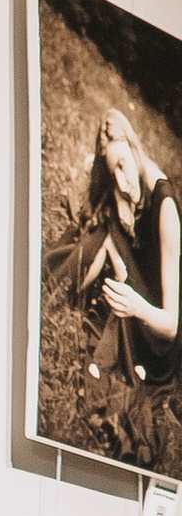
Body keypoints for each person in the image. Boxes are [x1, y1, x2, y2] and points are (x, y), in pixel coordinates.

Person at [75, 110, 181, 390]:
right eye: (115, 174)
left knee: (106, 233)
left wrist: (136, 306)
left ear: (135, 150)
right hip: (139, 295)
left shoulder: (165, 205)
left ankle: (72, 295)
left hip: (158, 344)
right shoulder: (129, 186)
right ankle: (71, 295)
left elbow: (171, 326)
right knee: (105, 228)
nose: (122, 183)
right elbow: (99, 171)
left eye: (123, 165)